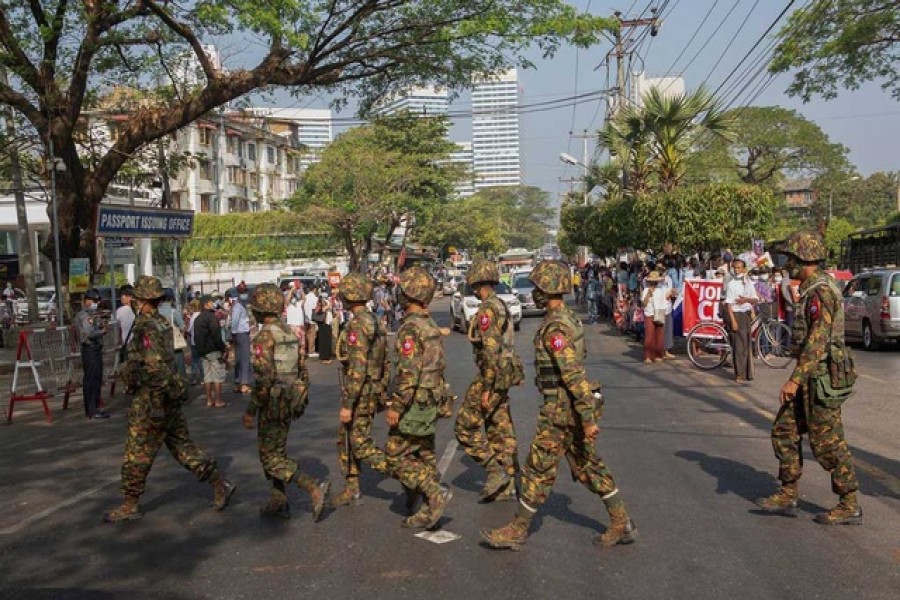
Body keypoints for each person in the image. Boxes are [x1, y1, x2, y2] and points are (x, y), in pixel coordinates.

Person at [481, 260, 636, 551]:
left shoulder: (556, 326)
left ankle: (518, 528)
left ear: (548, 289)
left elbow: (573, 374)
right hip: (568, 408)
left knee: (537, 468)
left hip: (561, 410)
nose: (535, 292)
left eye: (539, 287)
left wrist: (587, 418)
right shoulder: (566, 319)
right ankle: (621, 521)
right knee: (588, 465)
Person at [103, 276, 235, 522]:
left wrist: (137, 379)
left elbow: (154, 367)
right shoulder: (161, 322)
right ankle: (220, 483)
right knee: (183, 448)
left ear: (142, 300)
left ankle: (130, 503)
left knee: (136, 454)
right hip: (166, 397)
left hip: (152, 399)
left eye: (136, 298)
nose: (133, 302)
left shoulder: (146, 326)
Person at [755, 231, 861, 525]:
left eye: (790, 258)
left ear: (803, 258)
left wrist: (793, 380)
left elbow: (817, 341)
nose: (786, 263)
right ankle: (788, 493)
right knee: (784, 430)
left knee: (828, 443)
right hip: (809, 375)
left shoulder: (821, 292)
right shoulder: (811, 287)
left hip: (822, 379)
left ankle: (849, 502)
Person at [242, 284, 330, 520]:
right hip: (289, 399)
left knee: (270, 458)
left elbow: (264, 380)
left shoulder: (264, 337)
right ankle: (278, 500)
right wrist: (300, 399)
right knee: (275, 451)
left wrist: (251, 410)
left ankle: (312, 487)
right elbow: (302, 369)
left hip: (272, 402)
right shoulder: (289, 333)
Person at [384, 266, 452, 528]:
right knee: (424, 453)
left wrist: (397, 407)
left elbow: (409, 374)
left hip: (414, 403)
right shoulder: (429, 324)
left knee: (395, 457)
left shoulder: (411, 329)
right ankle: (426, 502)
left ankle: (435, 494)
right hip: (431, 399)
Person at [454, 258, 522, 503]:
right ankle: (509, 484)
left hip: (491, 375)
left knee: (464, 426)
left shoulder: (488, 310)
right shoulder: (500, 304)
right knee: (500, 429)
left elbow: (491, 349)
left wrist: (487, 386)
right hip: (504, 374)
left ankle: (496, 470)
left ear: (476, 282)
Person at [330, 273, 392, 508]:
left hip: (360, 392)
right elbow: (385, 360)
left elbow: (357, 367)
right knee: (346, 439)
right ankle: (352, 487)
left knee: (359, 443)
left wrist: (348, 404)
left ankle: (413, 477)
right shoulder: (374, 320)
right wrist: (382, 387)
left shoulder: (358, 324)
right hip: (371, 389)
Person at [723, 258, 759, 382]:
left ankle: (747, 372)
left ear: (744, 269)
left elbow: (755, 299)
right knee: (738, 346)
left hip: (745, 315)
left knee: (746, 345)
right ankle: (739, 374)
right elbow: (728, 304)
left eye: (739, 268)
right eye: (735, 268)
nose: (737, 270)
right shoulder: (731, 284)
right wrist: (733, 321)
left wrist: (746, 300)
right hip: (736, 314)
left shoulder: (748, 282)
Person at [76, 289, 109, 419]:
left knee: (97, 379)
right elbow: (89, 333)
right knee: (91, 380)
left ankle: (96, 407)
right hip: (89, 349)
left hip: (96, 348)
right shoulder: (84, 316)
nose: (96, 303)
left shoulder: (93, 315)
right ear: (87, 301)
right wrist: (102, 332)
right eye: (94, 301)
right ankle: (91, 409)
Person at [195, 295, 227, 408]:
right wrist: (222, 348)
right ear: (206, 304)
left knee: (207, 377)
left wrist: (199, 351)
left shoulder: (197, 319)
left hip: (203, 352)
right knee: (217, 376)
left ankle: (209, 400)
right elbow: (216, 335)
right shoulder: (212, 317)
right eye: (211, 302)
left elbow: (196, 337)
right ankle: (218, 400)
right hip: (213, 350)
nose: (213, 304)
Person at [159, 291, 187, 380]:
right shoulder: (174, 312)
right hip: (175, 347)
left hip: (161, 347)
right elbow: (182, 327)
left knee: (166, 374)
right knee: (180, 373)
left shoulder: (156, 312)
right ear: (172, 299)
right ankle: (182, 392)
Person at [641, 271, 667, 363]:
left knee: (659, 335)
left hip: (659, 313)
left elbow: (665, 300)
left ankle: (658, 355)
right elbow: (643, 303)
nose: (653, 283)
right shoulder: (646, 290)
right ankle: (648, 356)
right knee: (649, 335)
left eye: (655, 281)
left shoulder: (661, 289)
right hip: (649, 313)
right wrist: (649, 294)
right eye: (652, 281)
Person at [229, 291, 252, 394]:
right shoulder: (238, 306)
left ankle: (238, 382)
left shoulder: (236, 307)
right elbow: (234, 321)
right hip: (241, 333)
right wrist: (233, 332)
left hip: (239, 333)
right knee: (245, 358)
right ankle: (244, 384)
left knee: (239, 358)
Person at [116, 285, 136, 355]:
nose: (122, 297)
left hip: (128, 346)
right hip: (138, 345)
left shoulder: (121, 310)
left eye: (125, 295)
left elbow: (116, 326)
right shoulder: (139, 310)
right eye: (121, 295)